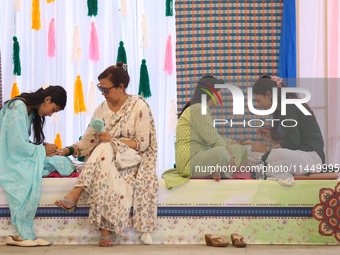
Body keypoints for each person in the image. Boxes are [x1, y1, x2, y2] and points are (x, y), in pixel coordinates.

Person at [54, 62, 158, 247]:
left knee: (105, 146)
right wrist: (67, 150)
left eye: (106, 89)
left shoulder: (138, 106)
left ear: (120, 87)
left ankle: (76, 193)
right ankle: (105, 232)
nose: (103, 93)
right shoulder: (101, 109)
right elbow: (88, 141)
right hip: (107, 158)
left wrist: (113, 140)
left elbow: (142, 144)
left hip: (132, 158)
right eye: (101, 88)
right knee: (104, 155)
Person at [0, 85, 69, 246]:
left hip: (16, 156)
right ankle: (24, 234)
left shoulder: (29, 110)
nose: (51, 114)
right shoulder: (17, 107)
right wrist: (42, 151)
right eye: (54, 109)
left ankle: (24, 234)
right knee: (56, 163)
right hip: (7, 158)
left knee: (63, 162)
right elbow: (14, 146)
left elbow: (20, 143)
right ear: (47, 99)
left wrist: (43, 150)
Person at [162, 76, 247, 189]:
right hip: (189, 162)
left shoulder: (201, 108)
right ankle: (218, 172)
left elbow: (212, 136)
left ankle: (214, 172)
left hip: (200, 157)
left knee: (240, 149)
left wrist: (236, 142)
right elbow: (213, 138)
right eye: (220, 94)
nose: (221, 98)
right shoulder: (198, 108)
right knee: (222, 152)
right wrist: (230, 154)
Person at [250, 75, 325, 182]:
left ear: (268, 94)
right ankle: (272, 174)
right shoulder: (283, 108)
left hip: (312, 158)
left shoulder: (288, 106)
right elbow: (293, 141)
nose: (259, 105)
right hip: (302, 155)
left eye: (259, 100)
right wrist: (272, 139)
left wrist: (267, 149)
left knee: (276, 155)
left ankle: (280, 178)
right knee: (267, 156)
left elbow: (293, 143)